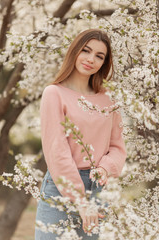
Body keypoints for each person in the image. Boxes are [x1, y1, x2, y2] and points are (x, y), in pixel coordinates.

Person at [35, 29, 127, 240]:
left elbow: (118, 147)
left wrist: (105, 168)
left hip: (96, 189)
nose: (90, 59)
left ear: (104, 63)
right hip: (60, 187)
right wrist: (80, 201)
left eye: (99, 56)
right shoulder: (54, 93)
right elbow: (57, 151)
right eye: (86, 51)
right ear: (75, 51)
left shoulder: (109, 99)